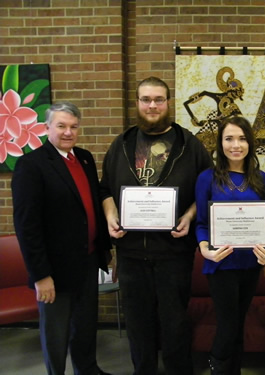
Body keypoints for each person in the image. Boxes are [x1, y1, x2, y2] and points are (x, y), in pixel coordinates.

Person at [100, 76, 213, 375]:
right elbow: (105, 190)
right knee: (138, 324)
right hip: (131, 253)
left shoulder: (191, 145)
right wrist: (111, 215)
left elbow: (207, 190)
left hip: (173, 252)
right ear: (137, 103)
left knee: (175, 322)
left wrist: (189, 217)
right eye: (146, 99)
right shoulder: (121, 145)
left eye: (158, 99)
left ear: (168, 102)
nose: (152, 105)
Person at [11, 102, 112, 375]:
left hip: (88, 261)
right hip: (54, 270)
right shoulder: (31, 166)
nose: (68, 132)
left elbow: (90, 206)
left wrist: (106, 252)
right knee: (56, 333)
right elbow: (26, 225)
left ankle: (88, 369)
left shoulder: (85, 158)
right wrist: (41, 275)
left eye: (73, 127)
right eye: (61, 126)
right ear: (46, 128)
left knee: (86, 326)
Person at [194, 116, 265, 374]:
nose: (235, 145)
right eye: (229, 139)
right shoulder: (207, 179)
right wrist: (205, 249)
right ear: (220, 143)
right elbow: (202, 223)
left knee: (238, 324)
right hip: (221, 265)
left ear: (250, 143)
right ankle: (217, 367)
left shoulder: (262, 180)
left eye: (241, 138)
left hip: (250, 265)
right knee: (227, 326)